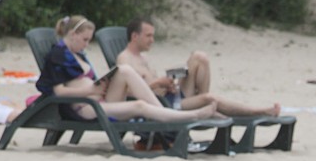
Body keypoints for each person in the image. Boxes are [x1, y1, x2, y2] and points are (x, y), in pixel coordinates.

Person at [36, 15, 219, 123]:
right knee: (139, 105)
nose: (87, 44)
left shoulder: (77, 53)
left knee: (124, 70)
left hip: (99, 99)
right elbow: (58, 92)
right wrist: (91, 89)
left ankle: (167, 116)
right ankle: (188, 116)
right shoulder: (58, 55)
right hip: (85, 107)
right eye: (85, 40)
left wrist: (100, 85)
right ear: (73, 35)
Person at [116, 17, 280, 117]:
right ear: (134, 36)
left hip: (171, 95)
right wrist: (159, 83)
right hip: (164, 105)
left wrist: (169, 81)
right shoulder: (124, 59)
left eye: (153, 35)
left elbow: (154, 81)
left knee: (199, 57)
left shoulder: (144, 57)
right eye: (148, 36)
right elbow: (126, 93)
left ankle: (204, 103)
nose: (152, 40)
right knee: (211, 98)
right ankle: (258, 111)